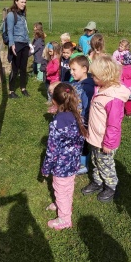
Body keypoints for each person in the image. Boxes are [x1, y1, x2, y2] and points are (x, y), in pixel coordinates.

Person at [81, 55, 130, 202]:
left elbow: (114, 124)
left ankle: (111, 187)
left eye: (94, 76)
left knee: (106, 165)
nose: (92, 77)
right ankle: (97, 182)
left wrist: (109, 143)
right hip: (95, 138)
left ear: (105, 76)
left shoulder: (113, 98)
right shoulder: (101, 88)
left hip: (104, 141)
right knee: (96, 162)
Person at [41, 83, 87, 230]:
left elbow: (52, 151)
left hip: (61, 166)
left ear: (54, 101)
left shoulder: (56, 123)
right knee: (68, 187)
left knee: (60, 190)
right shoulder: (77, 116)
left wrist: (45, 168)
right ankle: (65, 205)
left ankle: (64, 219)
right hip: (74, 163)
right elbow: (80, 141)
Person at [69, 55, 95, 174]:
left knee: (83, 142)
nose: (71, 72)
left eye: (74, 69)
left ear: (84, 69)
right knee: (78, 141)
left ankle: (83, 164)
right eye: (71, 69)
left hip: (83, 121)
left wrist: (83, 121)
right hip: (76, 119)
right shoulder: (77, 82)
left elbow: (87, 107)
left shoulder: (87, 88)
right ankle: (78, 159)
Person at [7, 0, 31, 98]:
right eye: (22, 2)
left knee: (23, 67)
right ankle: (11, 91)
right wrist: (12, 45)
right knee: (15, 68)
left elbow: (25, 30)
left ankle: (23, 88)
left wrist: (29, 43)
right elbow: (10, 31)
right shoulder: (11, 15)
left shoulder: (23, 14)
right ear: (16, 2)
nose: (24, 4)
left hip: (25, 44)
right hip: (16, 44)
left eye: (25, 2)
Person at [121, 51, 131, 117]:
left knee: (122, 101)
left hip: (124, 88)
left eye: (123, 59)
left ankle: (121, 112)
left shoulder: (122, 70)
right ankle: (129, 113)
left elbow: (120, 79)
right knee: (130, 102)